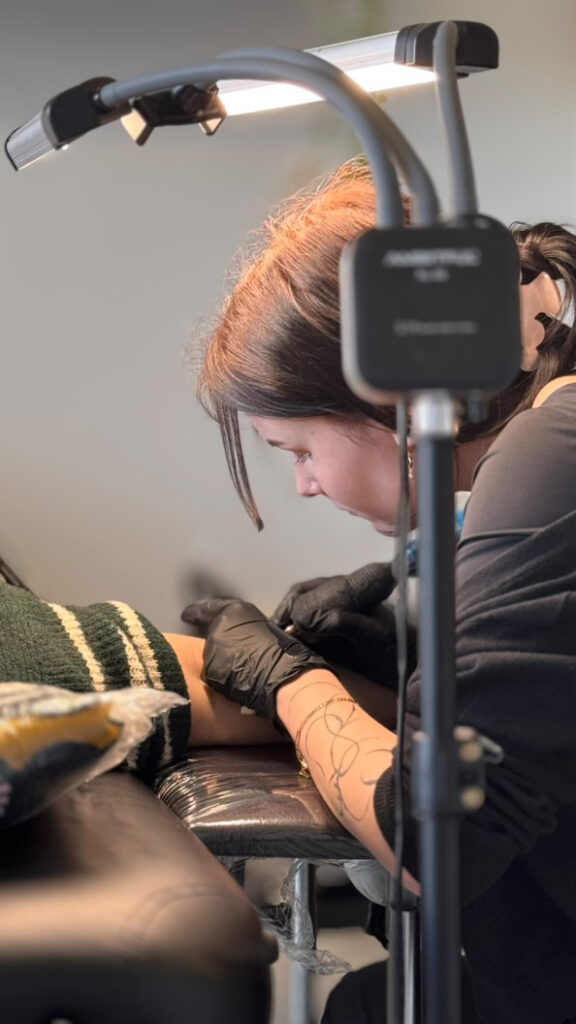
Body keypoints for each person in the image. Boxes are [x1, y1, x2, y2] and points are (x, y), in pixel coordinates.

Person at [184, 159, 576, 1024]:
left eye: (298, 452)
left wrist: (292, 684)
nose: (306, 486)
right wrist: (402, 659)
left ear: (389, 402)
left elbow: (429, 845)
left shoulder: (550, 458)